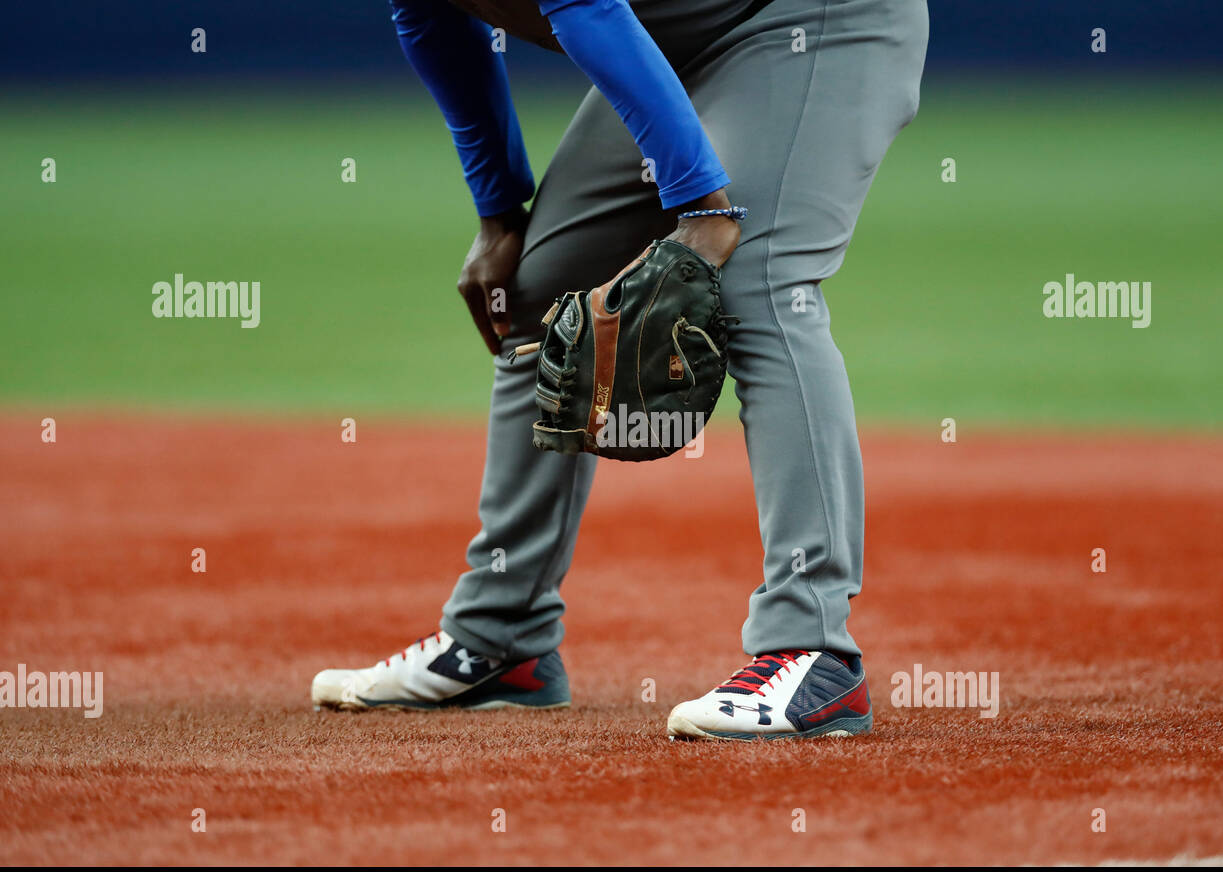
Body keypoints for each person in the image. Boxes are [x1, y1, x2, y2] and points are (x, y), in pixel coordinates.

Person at [311, 0, 928, 739]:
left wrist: (702, 203)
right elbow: (432, 20)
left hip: (811, 15)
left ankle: (813, 650)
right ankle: (500, 636)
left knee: (755, 276)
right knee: (537, 289)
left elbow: (585, 4)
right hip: (668, 32)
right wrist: (500, 213)